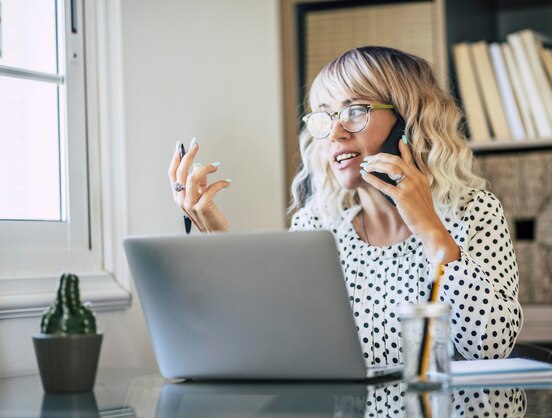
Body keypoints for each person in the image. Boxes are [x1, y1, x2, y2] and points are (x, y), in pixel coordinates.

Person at [168, 46, 522, 363]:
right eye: (325, 116)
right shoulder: (318, 227)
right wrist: (218, 240)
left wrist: (429, 228)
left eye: (354, 111)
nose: (335, 134)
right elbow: (271, 345)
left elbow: (488, 346)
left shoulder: (475, 212)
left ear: (408, 124)